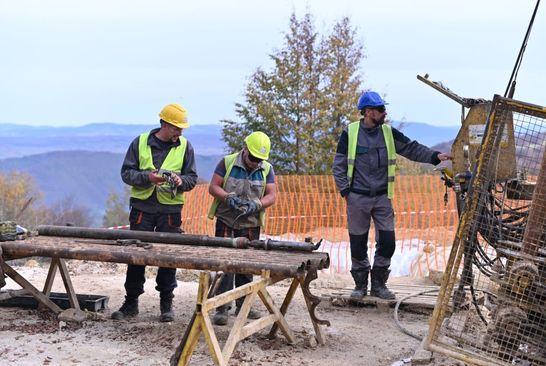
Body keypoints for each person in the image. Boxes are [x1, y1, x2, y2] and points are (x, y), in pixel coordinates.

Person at [332, 91, 451, 300]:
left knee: (388, 241)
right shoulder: (350, 133)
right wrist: (346, 192)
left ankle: (379, 285)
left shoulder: (388, 133)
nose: (384, 112)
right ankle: (360, 286)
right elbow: (338, 165)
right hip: (357, 197)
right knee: (357, 243)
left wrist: (435, 157)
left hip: (382, 197)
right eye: (380, 109)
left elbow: (412, 149)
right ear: (368, 112)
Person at [112, 103, 197, 322]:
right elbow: (126, 174)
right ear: (165, 124)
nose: (180, 132)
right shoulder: (139, 143)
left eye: (181, 129)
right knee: (136, 255)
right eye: (177, 128)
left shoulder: (186, 146)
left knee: (168, 256)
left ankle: (166, 304)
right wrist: (148, 178)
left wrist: (180, 181)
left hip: (170, 210)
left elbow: (192, 179)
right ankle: (131, 303)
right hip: (142, 208)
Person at [207, 131, 276, 325]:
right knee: (225, 264)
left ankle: (244, 305)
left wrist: (258, 204)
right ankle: (222, 307)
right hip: (226, 219)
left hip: (250, 223)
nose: (255, 162)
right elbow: (213, 187)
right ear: (245, 149)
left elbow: (272, 195)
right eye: (253, 158)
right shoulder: (227, 162)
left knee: (247, 265)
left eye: (259, 159)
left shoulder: (267, 169)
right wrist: (227, 197)